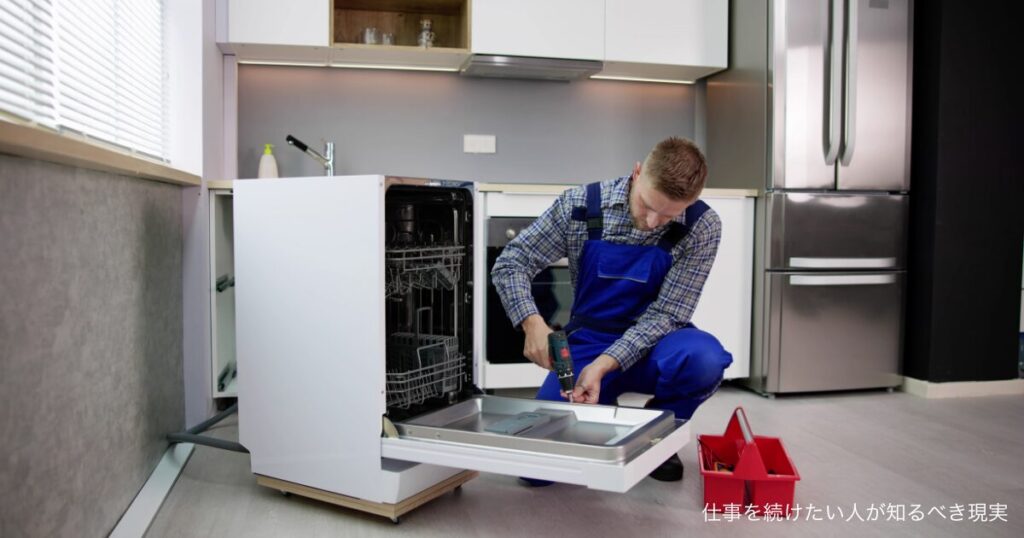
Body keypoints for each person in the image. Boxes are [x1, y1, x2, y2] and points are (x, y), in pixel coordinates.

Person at [491, 137, 733, 484]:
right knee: (535, 473)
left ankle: (657, 429)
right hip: (588, 342)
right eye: (647, 205)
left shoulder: (702, 225)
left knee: (704, 360)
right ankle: (602, 411)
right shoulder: (579, 204)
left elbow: (668, 314)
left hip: (656, 343)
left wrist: (605, 364)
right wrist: (532, 323)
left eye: (668, 215)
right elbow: (511, 262)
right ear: (637, 173)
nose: (653, 221)